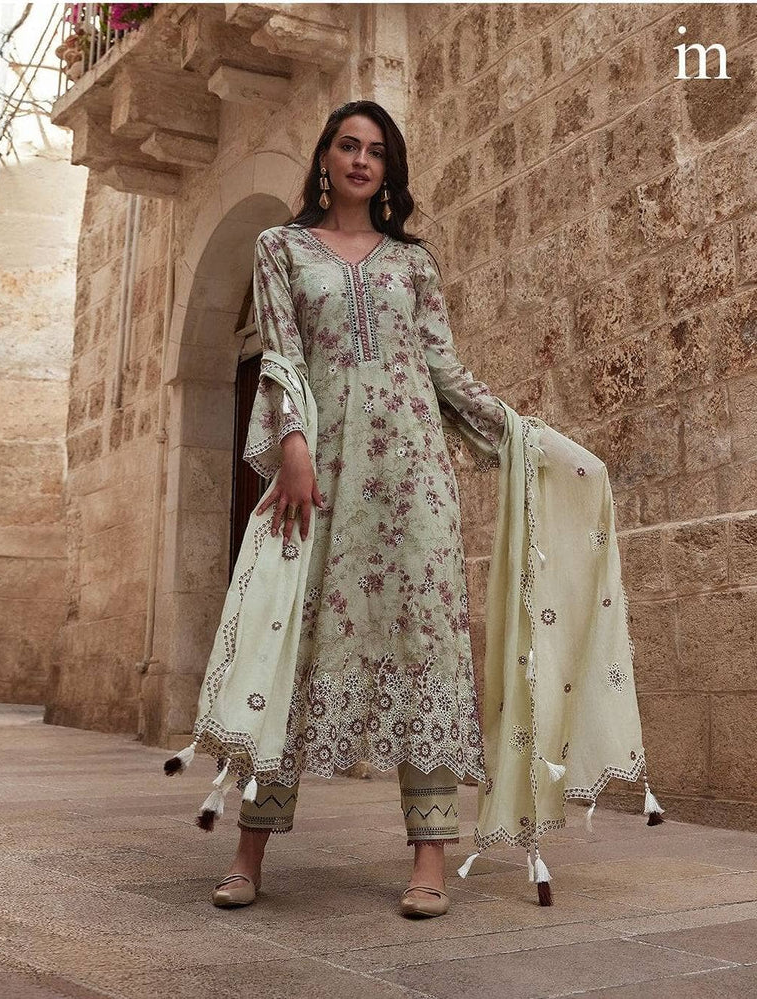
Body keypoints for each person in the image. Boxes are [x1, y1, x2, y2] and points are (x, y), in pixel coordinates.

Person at [210, 100, 509, 918]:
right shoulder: (280, 248)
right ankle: (249, 848)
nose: (361, 160)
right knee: (291, 640)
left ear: (388, 170)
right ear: (325, 156)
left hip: (415, 481)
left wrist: (516, 434)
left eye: (376, 151)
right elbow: (282, 354)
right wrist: (293, 446)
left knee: (427, 646)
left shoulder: (412, 262)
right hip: (323, 473)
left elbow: (442, 368)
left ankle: (430, 854)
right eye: (348, 145)